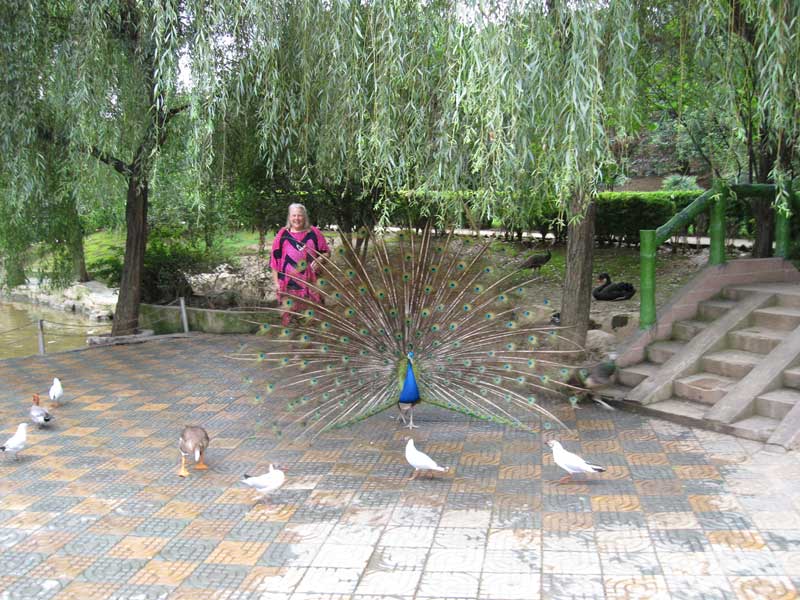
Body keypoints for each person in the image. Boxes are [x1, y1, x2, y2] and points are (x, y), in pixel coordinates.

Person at [270, 203, 330, 326]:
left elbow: (327, 252)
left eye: (300, 216)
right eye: (294, 215)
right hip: (288, 286)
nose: (296, 218)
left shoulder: (314, 233)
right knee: (290, 322)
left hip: (311, 284)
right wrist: (276, 283)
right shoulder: (282, 234)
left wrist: (320, 260)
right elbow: (274, 261)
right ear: (289, 217)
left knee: (314, 320)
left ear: (305, 217)